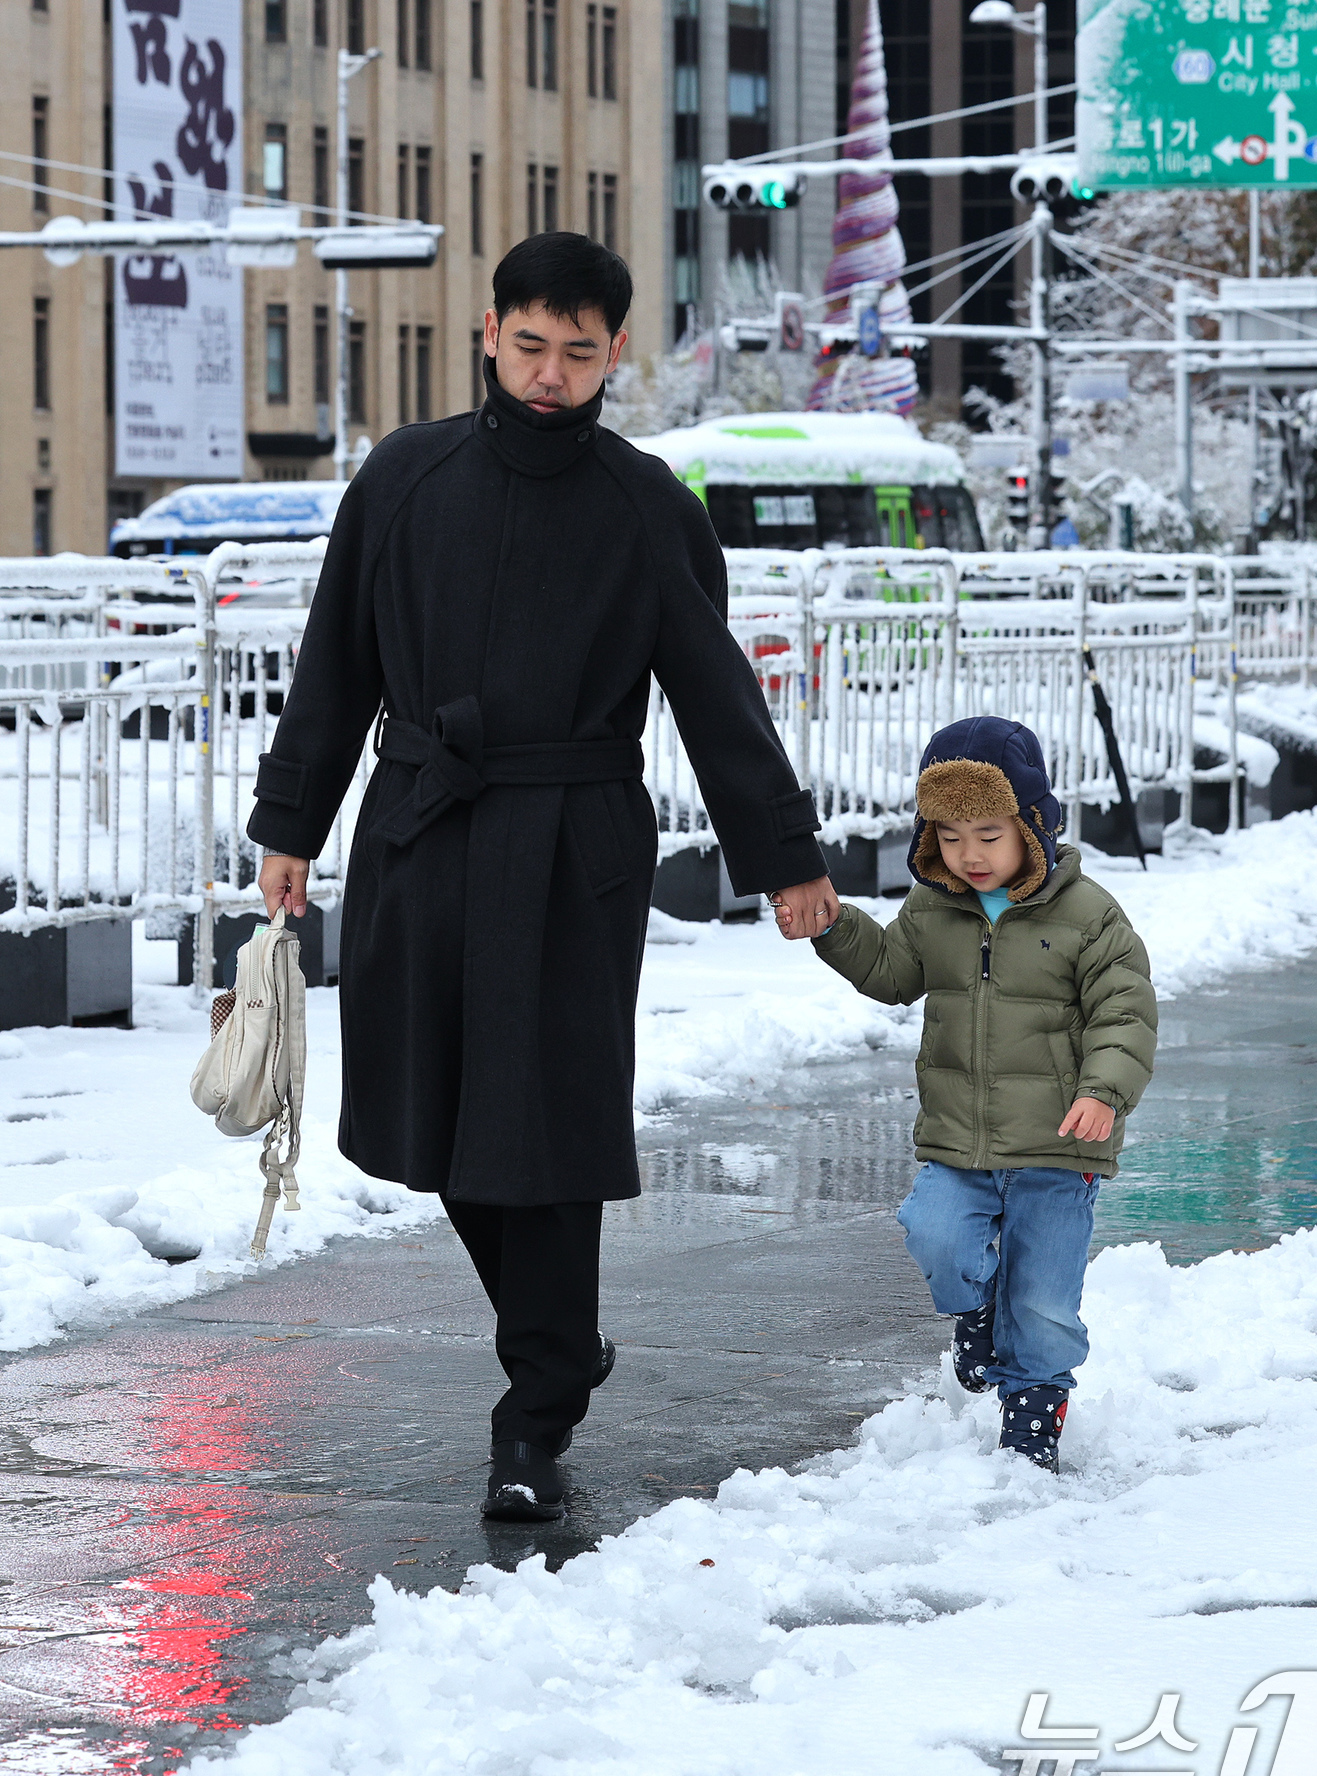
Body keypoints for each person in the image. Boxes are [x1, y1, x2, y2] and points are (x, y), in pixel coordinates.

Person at [250, 233, 837, 1522]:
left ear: (615, 351)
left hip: (573, 843)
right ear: (488, 330)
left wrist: (782, 854)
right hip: (419, 828)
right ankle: (557, 1339)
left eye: (580, 352)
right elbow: (334, 663)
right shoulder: (403, 476)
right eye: (531, 345)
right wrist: (290, 821)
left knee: (550, 1133)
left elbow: (710, 691)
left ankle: (534, 1419)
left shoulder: (647, 505)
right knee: (443, 1116)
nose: (552, 374)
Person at [780, 716, 1156, 1472]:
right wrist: (832, 927)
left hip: (1059, 1145)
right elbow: (891, 970)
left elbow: (1125, 1011)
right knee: (936, 1233)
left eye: (989, 832)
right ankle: (978, 1309)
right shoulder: (935, 909)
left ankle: (1033, 1413)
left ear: (1033, 824)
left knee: (1045, 1299)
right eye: (949, 836)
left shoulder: (1089, 915)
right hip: (961, 1143)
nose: (969, 854)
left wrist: (1105, 1091)